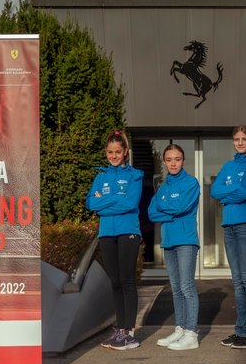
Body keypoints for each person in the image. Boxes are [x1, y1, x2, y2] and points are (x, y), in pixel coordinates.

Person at [86, 130, 144, 351]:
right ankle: (120, 329)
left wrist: (105, 202)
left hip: (128, 231)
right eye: (110, 152)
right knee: (115, 282)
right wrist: (113, 200)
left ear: (125, 151)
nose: (114, 156)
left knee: (127, 280)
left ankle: (130, 333)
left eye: (118, 152)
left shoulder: (135, 176)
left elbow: (130, 203)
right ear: (106, 152)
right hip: (107, 234)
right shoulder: (100, 178)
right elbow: (91, 204)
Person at [210, 125, 246, 349]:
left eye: (244, 139)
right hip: (229, 225)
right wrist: (236, 192)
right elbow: (214, 191)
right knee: (237, 280)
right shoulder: (228, 166)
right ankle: (241, 330)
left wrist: (229, 194)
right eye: (236, 139)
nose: (240, 142)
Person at [148, 144, 201, 351]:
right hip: (168, 241)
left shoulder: (191, 183)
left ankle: (191, 333)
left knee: (187, 286)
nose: (173, 163)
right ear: (164, 162)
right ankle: (180, 328)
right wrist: (171, 212)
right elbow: (151, 213)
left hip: (186, 240)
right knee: (176, 288)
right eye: (169, 160)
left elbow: (181, 207)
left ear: (183, 161)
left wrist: (165, 209)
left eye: (177, 159)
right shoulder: (163, 187)